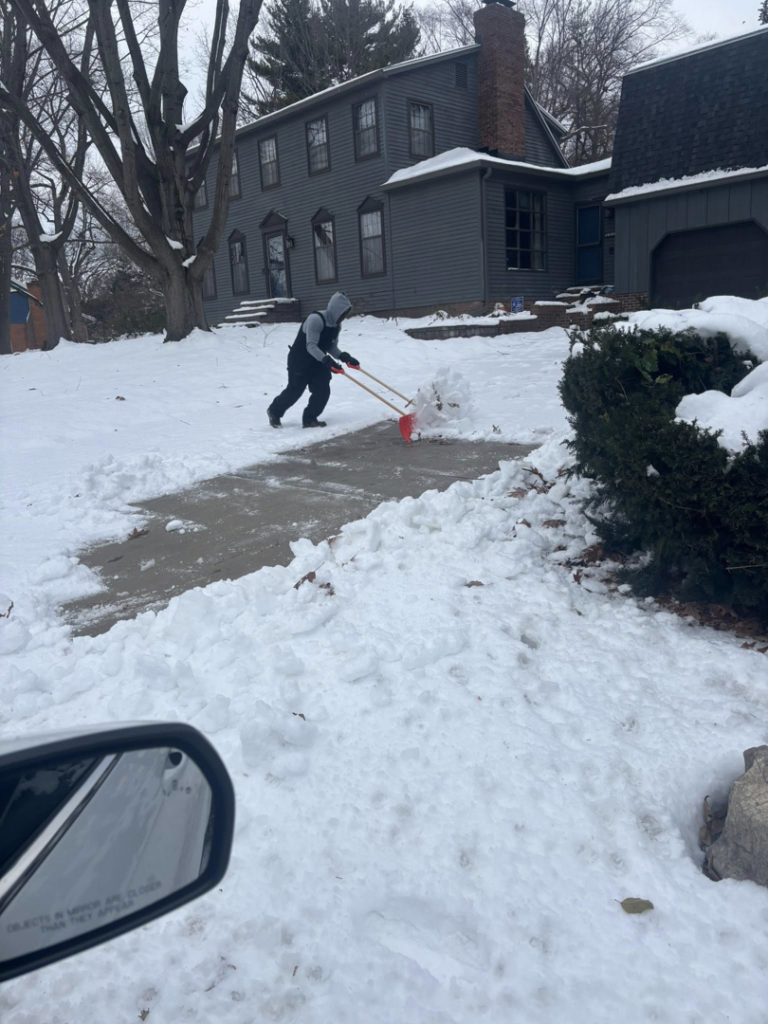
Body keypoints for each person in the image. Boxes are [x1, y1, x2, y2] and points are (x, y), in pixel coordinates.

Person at [267, 291, 359, 429]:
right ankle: (274, 411)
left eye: (344, 314)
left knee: (323, 390)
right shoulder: (315, 319)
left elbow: (331, 347)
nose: (343, 317)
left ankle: (309, 419)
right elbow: (311, 346)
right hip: (300, 360)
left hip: (318, 361)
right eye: (342, 313)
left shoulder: (336, 325)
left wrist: (345, 357)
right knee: (295, 391)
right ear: (335, 310)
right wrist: (327, 361)